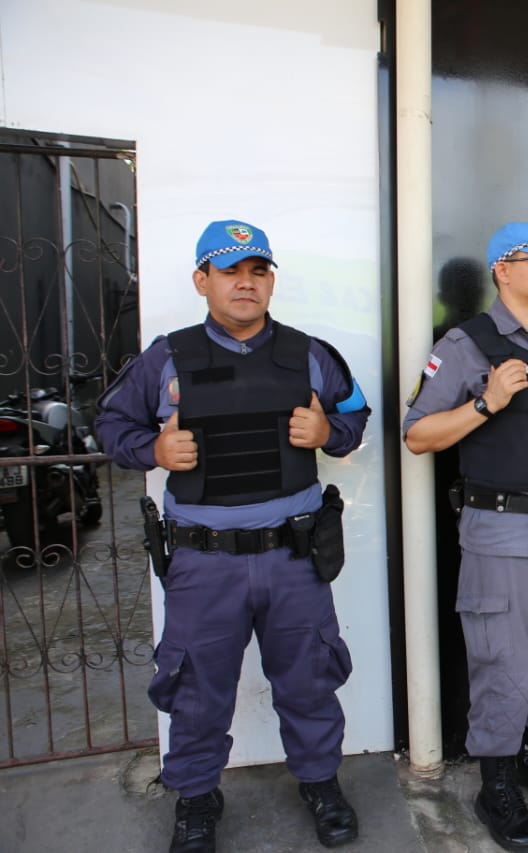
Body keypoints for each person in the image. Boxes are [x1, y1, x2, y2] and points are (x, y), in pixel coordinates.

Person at [95, 219, 370, 852]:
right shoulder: (167, 356)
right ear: (203, 280)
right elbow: (110, 425)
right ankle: (196, 797)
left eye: (258, 271)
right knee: (196, 689)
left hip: (294, 557)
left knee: (307, 680)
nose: (246, 284)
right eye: (230, 272)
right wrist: (154, 447)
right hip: (204, 563)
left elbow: (356, 414)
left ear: (271, 281)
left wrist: (329, 433)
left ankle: (321, 782)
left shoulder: (310, 353)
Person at [402, 222, 528, 852]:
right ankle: (495, 782)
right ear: (502, 270)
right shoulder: (466, 345)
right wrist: (486, 403)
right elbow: (417, 435)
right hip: (499, 530)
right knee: (503, 665)